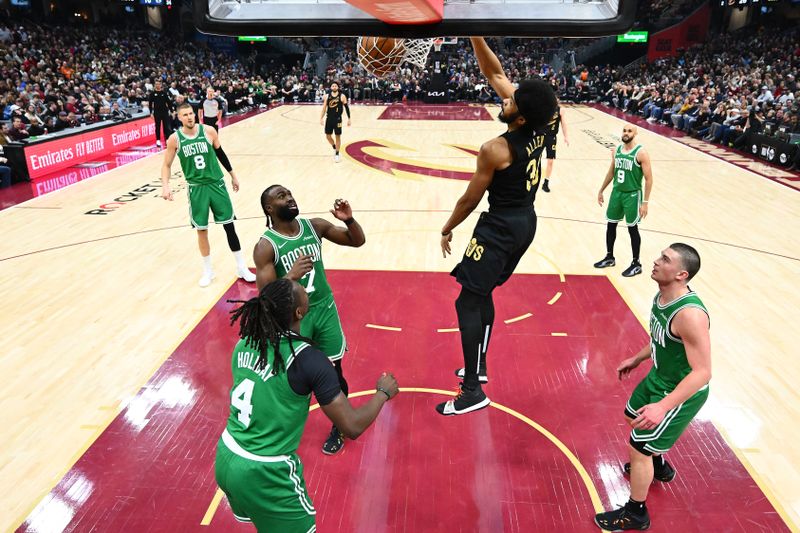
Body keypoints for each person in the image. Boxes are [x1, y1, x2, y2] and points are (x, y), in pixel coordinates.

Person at [215, 278, 398, 532]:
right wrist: (382, 394)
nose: (303, 286)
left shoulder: (245, 343)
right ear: (300, 311)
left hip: (226, 455)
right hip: (265, 471)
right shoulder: (309, 359)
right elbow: (352, 426)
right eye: (301, 290)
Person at [438, 37, 557, 416]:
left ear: (520, 118)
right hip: (525, 221)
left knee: (467, 300)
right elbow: (495, 72)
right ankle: (480, 366)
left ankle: (471, 390)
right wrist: (475, 34)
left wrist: (447, 227)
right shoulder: (543, 120)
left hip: (501, 227)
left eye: (511, 102)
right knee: (482, 291)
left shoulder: (497, 149)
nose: (505, 98)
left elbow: (469, 200)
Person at [594, 243, 711, 531]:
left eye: (665, 259)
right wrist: (637, 358)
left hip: (680, 391)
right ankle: (657, 464)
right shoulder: (662, 296)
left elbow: (703, 372)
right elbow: (661, 339)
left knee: (639, 446)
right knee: (631, 416)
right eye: (659, 256)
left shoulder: (690, 315)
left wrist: (663, 406)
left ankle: (636, 513)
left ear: (682, 274)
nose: (656, 261)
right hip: (658, 377)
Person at [254, 185, 365, 454]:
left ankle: (339, 426)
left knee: (334, 373)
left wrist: (349, 219)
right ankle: (286, 424)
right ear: (269, 208)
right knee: (291, 376)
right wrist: (289, 277)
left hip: (324, 309)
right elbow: (266, 297)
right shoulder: (266, 246)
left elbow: (357, 241)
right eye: (281, 196)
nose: (289, 198)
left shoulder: (314, 227)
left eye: (290, 193)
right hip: (295, 317)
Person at [160, 102, 256, 287]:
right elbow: (166, 165)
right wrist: (165, 186)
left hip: (217, 184)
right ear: (179, 117)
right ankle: (208, 271)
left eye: (191, 113)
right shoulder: (175, 139)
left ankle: (241, 267)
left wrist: (233, 176)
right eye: (185, 115)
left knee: (229, 226)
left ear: (195, 114)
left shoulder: (209, 131)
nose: (189, 117)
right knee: (202, 230)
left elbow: (221, 154)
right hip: (196, 188)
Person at [594, 124, 654, 277]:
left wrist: (645, 202)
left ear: (635, 133)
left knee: (632, 228)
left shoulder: (641, 153)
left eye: (629, 131)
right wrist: (601, 189)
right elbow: (611, 172)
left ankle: (636, 263)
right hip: (617, 192)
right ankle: (609, 257)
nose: (626, 133)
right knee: (611, 225)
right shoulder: (617, 151)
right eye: (624, 131)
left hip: (632, 195)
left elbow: (648, 179)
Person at [541, 99, 569, 193]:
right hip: (540, 136)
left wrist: (566, 137)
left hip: (551, 137)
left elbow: (564, 124)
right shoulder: (543, 108)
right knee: (534, 157)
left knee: (550, 161)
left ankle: (546, 182)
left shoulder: (560, 110)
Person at [319, 81, 351, 163]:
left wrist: (349, 118)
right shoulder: (327, 96)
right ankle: (334, 147)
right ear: (330, 87)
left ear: (338, 87)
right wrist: (321, 118)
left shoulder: (342, 96)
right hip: (329, 118)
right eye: (332, 86)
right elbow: (324, 108)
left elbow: (347, 108)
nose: (334, 87)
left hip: (338, 119)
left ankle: (337, 154)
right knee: (328, 136)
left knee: (338, 136)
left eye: (335, 86)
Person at [149, 79, 174, 148]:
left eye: (159, 84)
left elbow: (169, 102)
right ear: (154, 85)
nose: (158, 85)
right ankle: (158, 140)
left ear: (161, 85)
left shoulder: (164, 93)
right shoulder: (152, 94)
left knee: (166, 127)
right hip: (157, 112)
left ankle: (167, 140)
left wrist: (172, 111)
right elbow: (150, 104)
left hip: (165, 112)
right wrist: (151, 112)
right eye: (156, 84)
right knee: (157, 126)